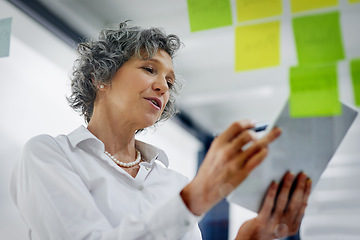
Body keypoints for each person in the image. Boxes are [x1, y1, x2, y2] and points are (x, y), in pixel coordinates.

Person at [10, 22, 311, 240]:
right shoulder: (50, 155)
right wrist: (195, 198)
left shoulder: (173, 183)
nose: (162, 86)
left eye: (169, 80)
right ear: (101, 77)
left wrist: (249, 237)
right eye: (149, 69)